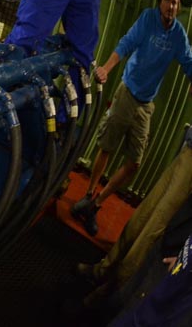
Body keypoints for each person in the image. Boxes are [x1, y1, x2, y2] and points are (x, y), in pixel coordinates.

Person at [72, 0, 192, 236]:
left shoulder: (178, 35)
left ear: (178, 7)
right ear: (160, 3)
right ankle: (88, 193)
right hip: (127, 93)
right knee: (106, 146)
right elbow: (126, 44)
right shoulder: (148, 20)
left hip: (146, 105)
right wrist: (105, 68)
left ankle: (96, 204)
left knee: (135, 163)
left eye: (175, 2)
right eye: (167, 0)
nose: (171, 6)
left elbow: (188, 62)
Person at [78, 125, 192, 309]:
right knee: (140, 220)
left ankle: (109, 293)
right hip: (188, 151)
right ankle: (103, 270)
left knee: (149, 234)